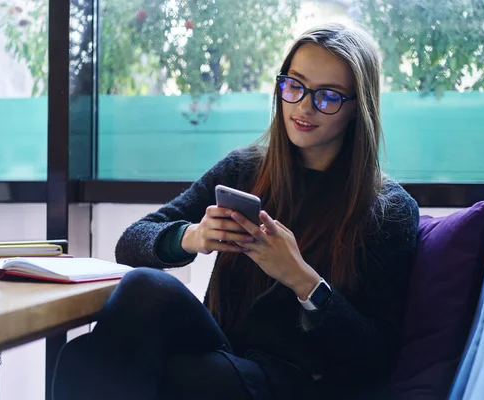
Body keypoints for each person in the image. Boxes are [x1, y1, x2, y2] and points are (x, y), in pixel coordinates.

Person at [53, 22, 419, 400]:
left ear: (358, 108)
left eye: (328, 96)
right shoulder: (246, 170)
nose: (304, 106)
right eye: (294, 85)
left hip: (297, 381)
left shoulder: (387, 209)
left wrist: (302, 280)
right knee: (140, 294)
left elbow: (376, 356)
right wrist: (192, 236)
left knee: (110, 362)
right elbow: (130, 244)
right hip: (222, 349)